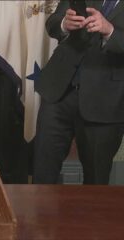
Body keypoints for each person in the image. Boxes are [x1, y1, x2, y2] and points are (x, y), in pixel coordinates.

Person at [34, 1, 124, 184]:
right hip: (58, 93)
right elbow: (53, 23)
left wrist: (110, 31)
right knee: (42, 174)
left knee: (96, 181)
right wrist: (64, 24)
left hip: (105, 103)